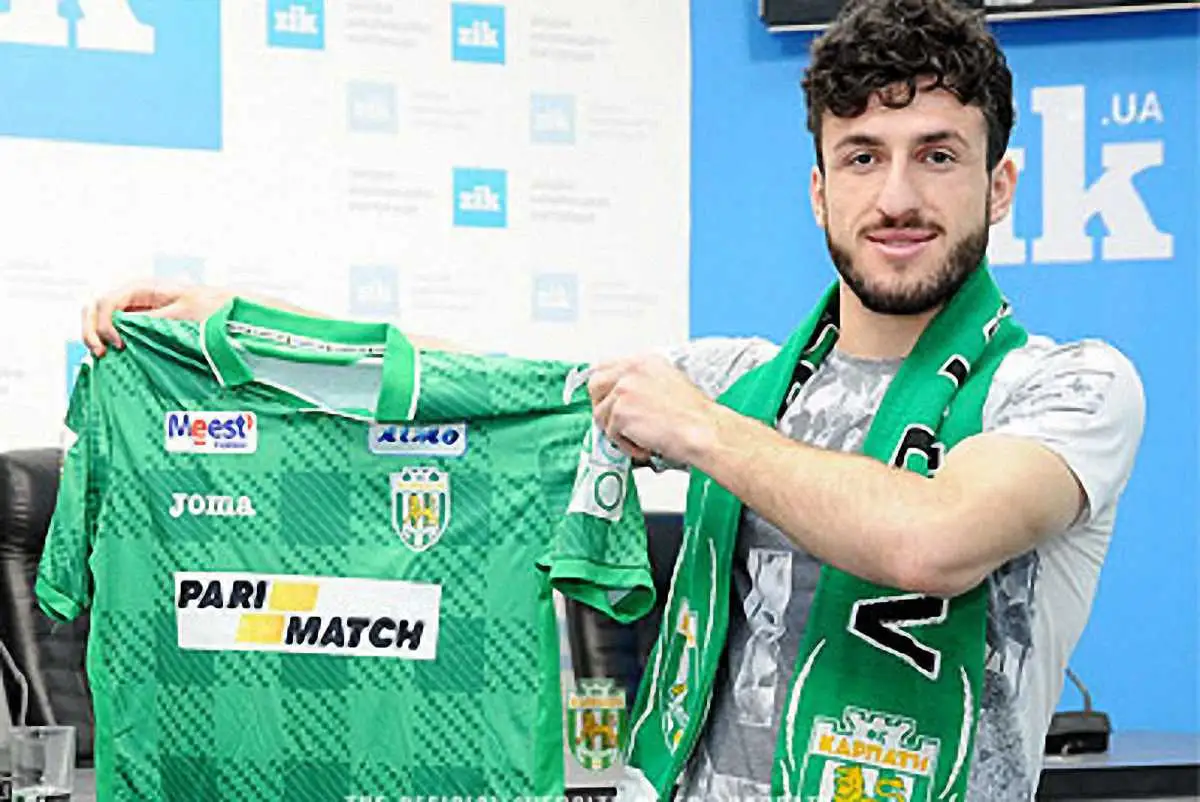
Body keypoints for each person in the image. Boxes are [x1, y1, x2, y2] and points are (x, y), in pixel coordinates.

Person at [82, 0, 1144, 798]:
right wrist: (238, 326)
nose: (897, 196)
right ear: (821, 190)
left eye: (938, 156)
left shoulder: (1066, 387)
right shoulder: (745, 380)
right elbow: (485, 382)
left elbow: (934, 540)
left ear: (1000, 185)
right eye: (862, 157)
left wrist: (698, 428)